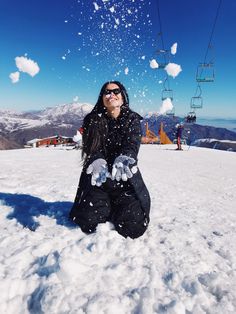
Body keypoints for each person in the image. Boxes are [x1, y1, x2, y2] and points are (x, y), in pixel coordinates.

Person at [69, 81, 151, 239]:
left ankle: (115, 206)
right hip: (99, 179)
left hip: (124, 179)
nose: (111, 94)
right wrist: (96, 159)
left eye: (116, 91)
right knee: (89, 222)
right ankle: (107, 205)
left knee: (133, 227)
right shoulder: (92, 120)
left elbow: (132, 143)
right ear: (102, 97)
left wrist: (126, 156)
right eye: (107, 92)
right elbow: (92, 148)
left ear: (123, 97)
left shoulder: (132, 120)